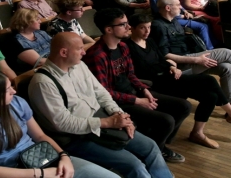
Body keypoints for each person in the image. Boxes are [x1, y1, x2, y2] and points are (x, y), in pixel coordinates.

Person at [28, 32, 173, 178]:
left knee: (151, 147)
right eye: (79, 49)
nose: (84, 52)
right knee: (133, 164)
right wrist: (107, 122)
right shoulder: (43, 83)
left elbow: (101, 93)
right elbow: (62, 124)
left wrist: (119, 114)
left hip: (103, 122)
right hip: (77, 138)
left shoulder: (79, 66)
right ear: (64, 52)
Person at [127, 13, 231, 149]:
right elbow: (145, 70)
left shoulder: (150, 41)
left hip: (169, 77)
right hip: (156, 83)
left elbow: (162, 59)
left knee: (211, 96)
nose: (147, 31)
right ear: (133, 28)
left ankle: (197, 133)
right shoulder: (129, 47)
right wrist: (168, 66)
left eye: (148, 27)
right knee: (209, 80)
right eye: (143, 28)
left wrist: (172, 66)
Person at [0, 70, 118, 178]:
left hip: (40, 156)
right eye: (7, 90)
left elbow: (40, 135)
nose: (14, 92)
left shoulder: (17, 103)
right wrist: (39, 174)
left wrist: (64, 156)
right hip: (15, 172)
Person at [84, 8, 192, 162]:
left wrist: (144, 90)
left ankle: (158, 145)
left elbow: (131, 75)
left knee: (184, 106)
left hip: (133, 92)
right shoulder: (97, 55)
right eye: (123, 24)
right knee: (166, 120)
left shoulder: (122, 46)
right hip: (117, 102)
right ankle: (153, 151)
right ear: (108, 29)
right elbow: (104, 92)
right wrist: (138, 101)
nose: (128, 27)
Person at [151, 0, 231, 111]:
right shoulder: (158, 25)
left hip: (190, 56)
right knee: (227, 53)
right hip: (179, 64)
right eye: (178, 5)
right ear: (168, 8)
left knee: (228, 67)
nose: (181, 7)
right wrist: (196, 60)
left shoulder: (174, 21)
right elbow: (164, 55)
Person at [150, 0, 215, 50]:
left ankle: (214, 44)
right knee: (202, 26)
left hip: (180, 16)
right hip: (172, 20)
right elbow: (159, 13)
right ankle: (209, 48)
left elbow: (179, 5)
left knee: (207, 21)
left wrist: (185, 12)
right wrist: (182, 16)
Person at [10, 8, 53, 74]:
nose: (40, 21)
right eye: (37, 19)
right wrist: (62, 59)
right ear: (26, 21)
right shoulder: (16, 41)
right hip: (38, 71)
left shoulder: (41, 33)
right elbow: (39, 62)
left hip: (53, 64)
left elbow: (56, 47)